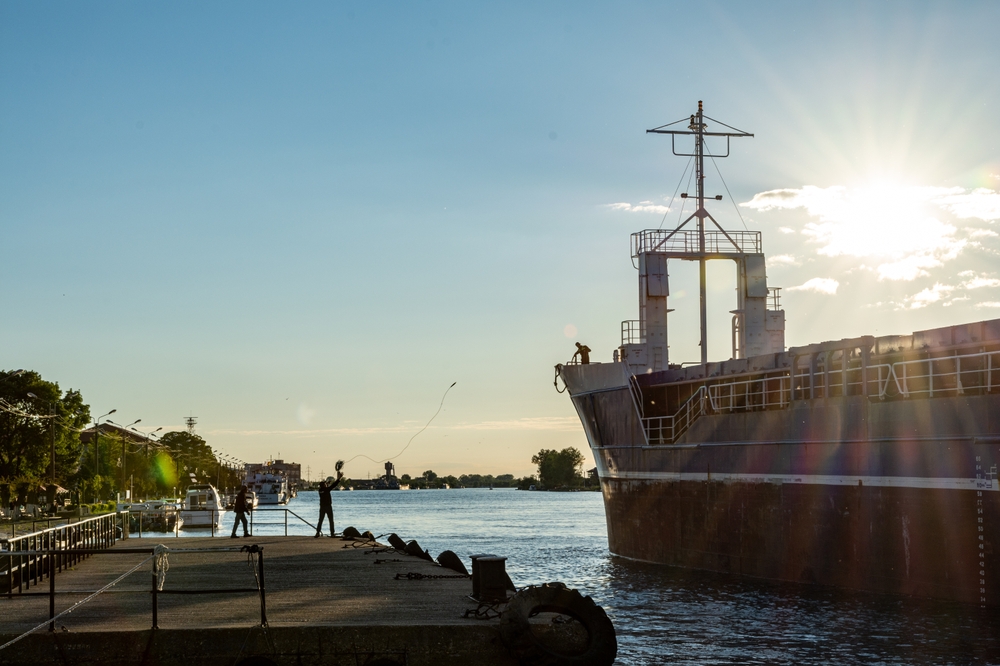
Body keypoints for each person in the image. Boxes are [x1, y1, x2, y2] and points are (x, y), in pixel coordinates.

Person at [316, 471, 344, 537]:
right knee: (331, 520)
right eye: (325, 484)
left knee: (320, 520)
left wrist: (327, 483)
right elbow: (334, 485)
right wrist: (339, 478)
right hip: (328, 507)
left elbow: (326, 487)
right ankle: (332, 533)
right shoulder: (327, 490)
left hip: (322, 507)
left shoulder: (320, 490)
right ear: (324, 485)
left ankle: (317, 532)